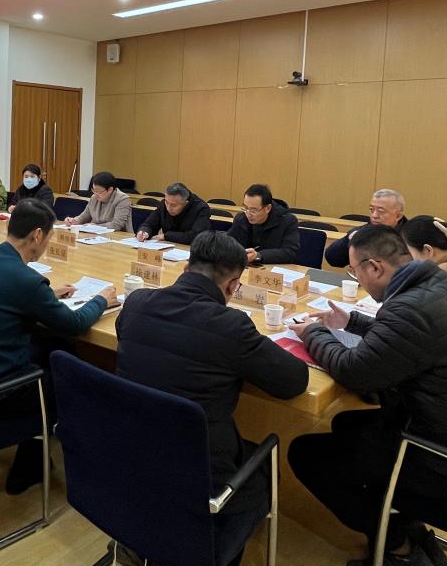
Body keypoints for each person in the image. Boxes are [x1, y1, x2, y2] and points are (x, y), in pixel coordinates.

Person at [288, 225, 447, 566]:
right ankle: (402, 521)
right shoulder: (434, 285)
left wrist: (313, 332)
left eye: (355, 271)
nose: (356, 278)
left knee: (306, 454)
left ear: (374, 267)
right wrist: (351, 321)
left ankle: (397, 546)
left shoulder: (410, 307)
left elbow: (354, 371)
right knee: (346, 424)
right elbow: (408, 337)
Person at [115, 231, 308, 566]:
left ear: (186, 267)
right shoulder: (231, 326)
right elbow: (294, 381)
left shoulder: (136, 303)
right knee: (265, 466)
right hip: (199, 469)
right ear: (233, 286)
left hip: (131, 449)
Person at [0, 199, 116, 494]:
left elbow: (10, 297)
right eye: (49, 237)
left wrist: (47, 296)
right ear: (38, 235)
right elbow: (74, 323)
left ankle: (39, 450)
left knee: (53, 347)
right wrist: (101, 300)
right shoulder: (26, 280)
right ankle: (32, 463)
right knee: (67, 377)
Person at [325, 188, 408, 268]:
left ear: (398, 216)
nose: (374, 215)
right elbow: (333, 260)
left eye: (381, 211)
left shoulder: (410, 237)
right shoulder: (364, 230)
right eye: (371, 210)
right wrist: (348, 240)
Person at [226, 183, 300, 264]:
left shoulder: (287, 221)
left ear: (268, 208)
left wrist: (258, 255)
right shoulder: (241, 218)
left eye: (253, 210)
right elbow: (229, 242)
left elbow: (289, 253)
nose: (248, 214)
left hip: (272, 268)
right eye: (245, 208)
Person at [136, 182, 211, 245]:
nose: (168, 208)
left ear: (186, 203)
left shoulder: (201, 208)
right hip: (166, 247)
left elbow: (196, 236)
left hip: (190, 250)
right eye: (166, 202)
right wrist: (144, 231)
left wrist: (166, 236)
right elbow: (149, 224)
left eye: (174, 205)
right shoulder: (164, 204)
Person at [64, 171, 131, 231]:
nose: (95, 194)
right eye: (94, 190)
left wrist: (94, 226)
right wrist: (74, 221)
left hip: (119, 236)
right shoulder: (94, 198)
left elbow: (117, 225)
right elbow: (84, 217)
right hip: (97, 234)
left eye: (98, 191)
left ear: (110, 189)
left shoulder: (122, 199)